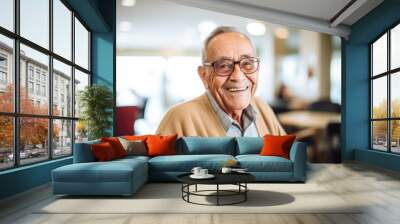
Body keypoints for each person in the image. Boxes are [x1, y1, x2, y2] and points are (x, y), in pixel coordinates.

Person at [156, 26, 286, 137]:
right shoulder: (179, 118)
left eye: (247, 63)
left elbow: (291, 161)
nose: (238, 76)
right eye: (223, 65)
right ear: (204, 75)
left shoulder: (262, 107)